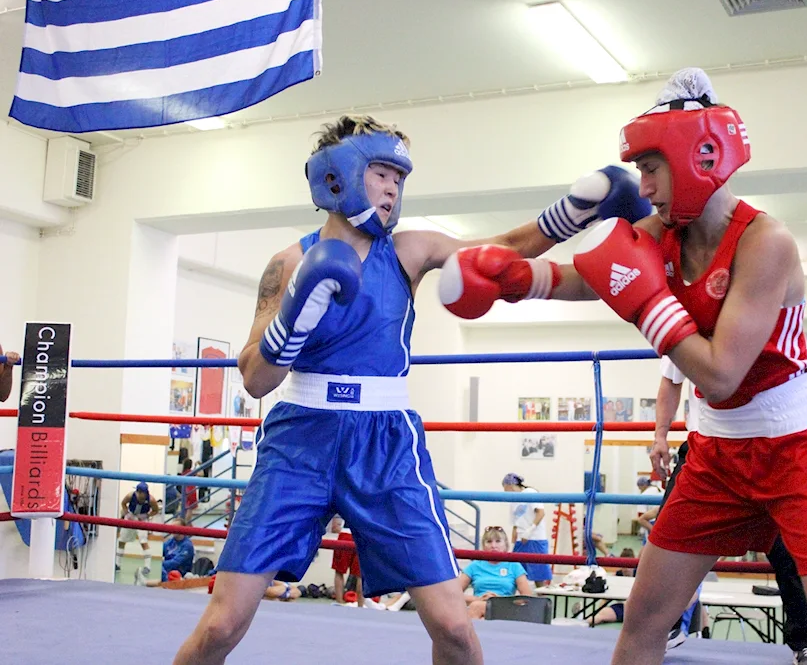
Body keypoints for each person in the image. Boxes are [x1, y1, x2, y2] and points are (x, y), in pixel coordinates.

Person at [439, 68, 807, 665]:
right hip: (714, 458)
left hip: (795, 452)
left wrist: (647, 302)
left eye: (651, 167)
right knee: (644, 621)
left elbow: (719, 374)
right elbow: (588, 277)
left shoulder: (767, 242)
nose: (644, 185)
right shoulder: (660, 232)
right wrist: (517, 279)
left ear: (699, 156)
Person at [172, 114, 649, 665]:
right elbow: (256, 380)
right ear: (337, 176)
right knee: (222, 625)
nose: (393, 187)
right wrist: (296, 316)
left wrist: (575, 212)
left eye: (400, 176)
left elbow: (500, 251)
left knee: (453, 626)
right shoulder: (288, 263)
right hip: (299, 437)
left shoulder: (409, 250)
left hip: (387, 441)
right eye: (380, 172)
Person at [650, 354, 807, 665]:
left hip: (768, 450)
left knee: (788, 549)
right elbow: (671, 379)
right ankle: (661, 628)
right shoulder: (689, 322)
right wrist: (660, 436)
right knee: (666, 543)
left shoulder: (772, 322)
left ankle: (806, 643)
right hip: (705, 448)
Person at [457, 526, 534, 619]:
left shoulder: (514, 565)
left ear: (505, 544)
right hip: (477, 608)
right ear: (483, 545)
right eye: (489, 542)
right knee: (476, 606)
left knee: (476, 607)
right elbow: (454, 593)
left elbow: (527, 597)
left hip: (506, 608)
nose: (493, 546)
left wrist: (501, 600)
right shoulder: (474, 566)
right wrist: (477, 599)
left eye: (498, 541)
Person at [501, 473, 553, 587]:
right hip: (520, 540)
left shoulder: (530, 493)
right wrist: (512, 544)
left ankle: (543, 602)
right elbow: (515, 524)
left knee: (538, 575)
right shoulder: (513, 501)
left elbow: (540, 512)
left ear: (510, 485)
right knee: (516, 573)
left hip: (535, 538)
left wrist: (529, 530)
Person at [116, 482, 159, 575]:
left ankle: (148, 566)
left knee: (143, 541)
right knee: (122, 540)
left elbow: (156, 510)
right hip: (130, 516)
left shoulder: (151, 499)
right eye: (139, 492)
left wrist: (147, 515)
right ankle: (117, 564)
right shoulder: (130, 495)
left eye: (143, 492)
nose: (141, 494)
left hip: (142, 519)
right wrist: (127, 514)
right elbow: (123, 503)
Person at [329, 514, 364, 606]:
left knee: (339, 571)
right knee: (361, 575)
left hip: (346, 535)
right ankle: (361, 605)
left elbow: (334, 528)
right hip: (363, 536)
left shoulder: (346, 499)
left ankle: (339, 602)